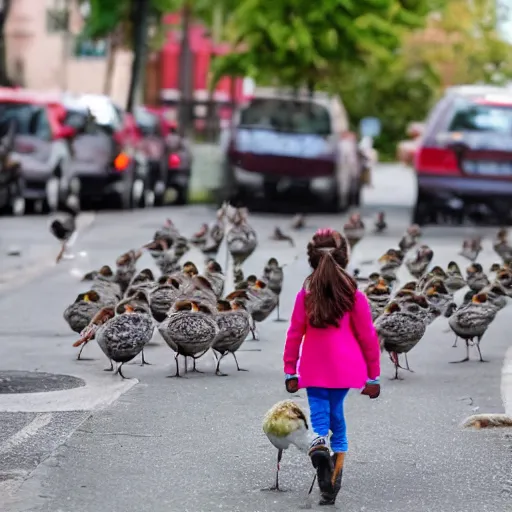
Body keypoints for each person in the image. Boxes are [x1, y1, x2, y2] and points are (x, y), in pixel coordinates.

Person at [283, 228, 381, 506]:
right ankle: (335, 473)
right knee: (337, 414)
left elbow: (294, 333)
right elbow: (368, 337)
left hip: (314, 368)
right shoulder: (354, 297)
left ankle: (319, 445)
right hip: (347, 370)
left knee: (319, 413)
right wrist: (373, 375)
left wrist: (290, 370)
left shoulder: (306, 296)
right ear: (345, 258)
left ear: (311, 259)